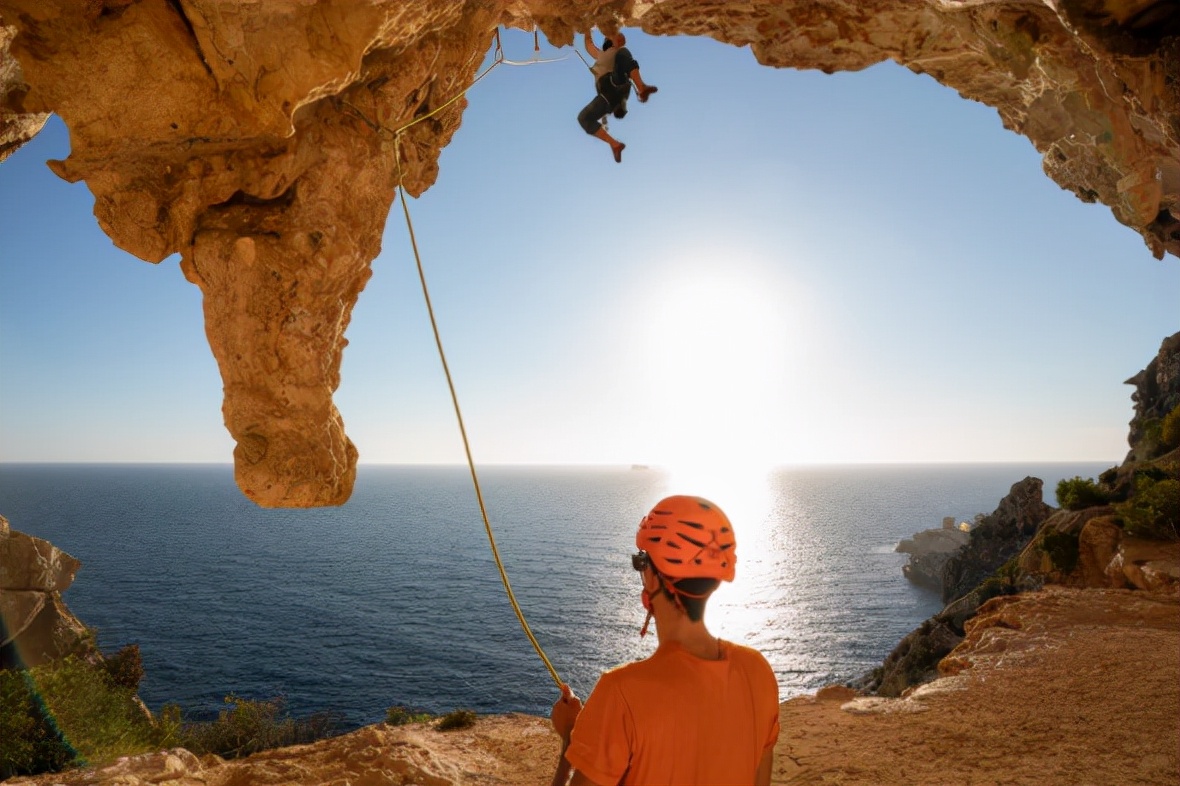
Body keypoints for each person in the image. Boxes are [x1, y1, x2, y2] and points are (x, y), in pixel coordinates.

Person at [550, 495, 780, 785]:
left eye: (641, 562)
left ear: (652, 577)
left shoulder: (621, 694)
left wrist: (570, 741)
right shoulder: (757, 672)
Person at [576, 31, 658, 163]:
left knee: (622, 53)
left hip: (616, 82)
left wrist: (611, 31)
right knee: (583, 118)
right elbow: (589, 45)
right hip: (606, 96)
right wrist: (587, 29)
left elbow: (618, 39)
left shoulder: (617, 50)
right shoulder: (600, 55)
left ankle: (640, 88)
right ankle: (615, 144)